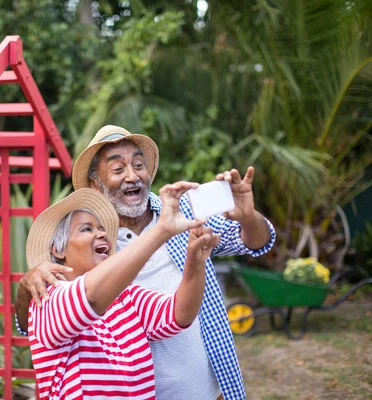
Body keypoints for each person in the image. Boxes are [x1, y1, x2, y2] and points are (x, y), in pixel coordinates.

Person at [16, 125, 276, 400]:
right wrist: (25, 286)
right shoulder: (90, 261)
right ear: (95, 185)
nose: (132, 175)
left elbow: (181, 312)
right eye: (117, 169)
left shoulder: (181, 214)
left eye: (138, 165)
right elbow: (64, 308)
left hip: (206, 391)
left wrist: (242, 221)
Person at [26, 186, 219, 399]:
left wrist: (195, 262)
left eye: (102, 229)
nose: (101, 234)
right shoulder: (48, 297)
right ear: (58, 249)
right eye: (86, 229)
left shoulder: (125, 298)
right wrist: (162, 230)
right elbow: (90, 297)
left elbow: (180, 313)